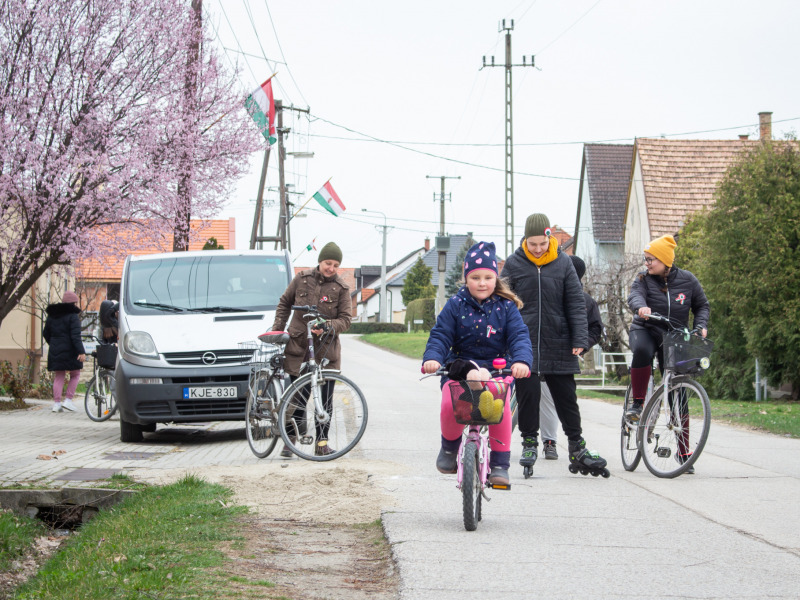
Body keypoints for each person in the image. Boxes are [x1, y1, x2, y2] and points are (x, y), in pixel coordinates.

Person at [501, 213, 608, 476]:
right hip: (524, 340)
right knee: (528, 394)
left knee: (566, 396)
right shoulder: (514, 263)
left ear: (549, 237)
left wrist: (580, 339)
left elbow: (575, 302)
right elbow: (502, 301)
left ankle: (576, 445)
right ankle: (529, 442)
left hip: (559, 339)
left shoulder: (563, 263)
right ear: (526, 239)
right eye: (532, 243)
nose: (538, 249)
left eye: (542, 243)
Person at [422, 241, 532, 486]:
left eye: (487, 277)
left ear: (496, 278)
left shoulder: (506, 307)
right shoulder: (455, 305)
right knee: (450, 403)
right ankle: (449, 448)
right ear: (466, 278)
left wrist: (522, 361)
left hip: (498, 369)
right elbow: (440, 335)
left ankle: (500, 464)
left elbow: (519, 336)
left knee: (500, 409)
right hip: (461, 367)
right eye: (475, 277)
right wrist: (433, 358)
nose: (482, 283)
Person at [271, 242, 352, 457]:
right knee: (296, 399)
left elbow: (345, 320)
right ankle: (290, 441)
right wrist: (277, 331)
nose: (331, 268)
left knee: (324, 401)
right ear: (320, 261)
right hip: (299, 348)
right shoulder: (301, 279)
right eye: (328, 263)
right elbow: (284, 303)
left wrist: (327, 326)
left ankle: (321, 444)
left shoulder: (342, 289)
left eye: (335, 265)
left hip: (327, 353)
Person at [626, 235, 710, 419]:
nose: (646, 263)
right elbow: (635, 296)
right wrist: (640, 307)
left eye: (650, 259)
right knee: (642, 350)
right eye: (645, 259)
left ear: (664, 260)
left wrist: (701, 326)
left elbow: (702, 305)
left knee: (678, 392)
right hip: (646, 329)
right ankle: (637, 404)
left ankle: (683, 447)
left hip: (673, 335)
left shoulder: (688, 280)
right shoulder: (643, 279)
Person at [538, 255, 604, 460]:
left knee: (557, 401)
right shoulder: (546, 293)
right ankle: (523, 442)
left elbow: (595, 328)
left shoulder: (585, 301)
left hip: (562, 359)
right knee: (522, 400)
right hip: (536, 354)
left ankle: (552, 442)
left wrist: (581, 345)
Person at [43, 290, 86, 412]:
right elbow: (75, 336)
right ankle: (68, 400)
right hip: (71, 350)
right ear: (73, 303)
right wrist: (81, 352)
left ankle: (56, 404)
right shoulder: (73, 317)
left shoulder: (52, 316)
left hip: (55, 349)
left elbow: (45, 333)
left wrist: (54, 343)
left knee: (59, 375)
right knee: (75, 374)